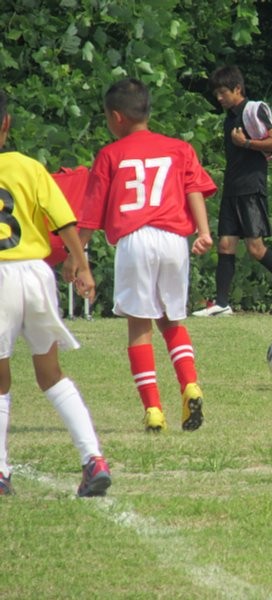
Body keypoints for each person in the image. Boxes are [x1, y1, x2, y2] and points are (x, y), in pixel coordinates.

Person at [68, 78, 217, 433]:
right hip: (174, 239)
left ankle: (153, 409)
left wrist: (77, 259)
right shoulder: (178, 148)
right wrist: (204, 232)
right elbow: (194, 188)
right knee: (171, 321)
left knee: (139, 326)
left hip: (135, 239)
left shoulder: (110, 155)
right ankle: (190, 384)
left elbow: (90, 216)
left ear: (116, 117)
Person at [0, 90, 111, 496]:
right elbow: (64, 221)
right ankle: (93, 458)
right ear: (6, 124)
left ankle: (0, 471)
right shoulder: (28, 167)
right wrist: (82, 265)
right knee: (51, 374)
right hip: (35, 274)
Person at [192, 65, 272, 318]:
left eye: (223, 92)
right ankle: (222, 303)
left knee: (255, 248)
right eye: (216, 93)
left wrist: (246, 143)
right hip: (232, 188)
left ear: (237, 89)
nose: (219, 98)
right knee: (225, 245)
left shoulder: (252, 110)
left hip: (251, 187)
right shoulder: (229, 117)